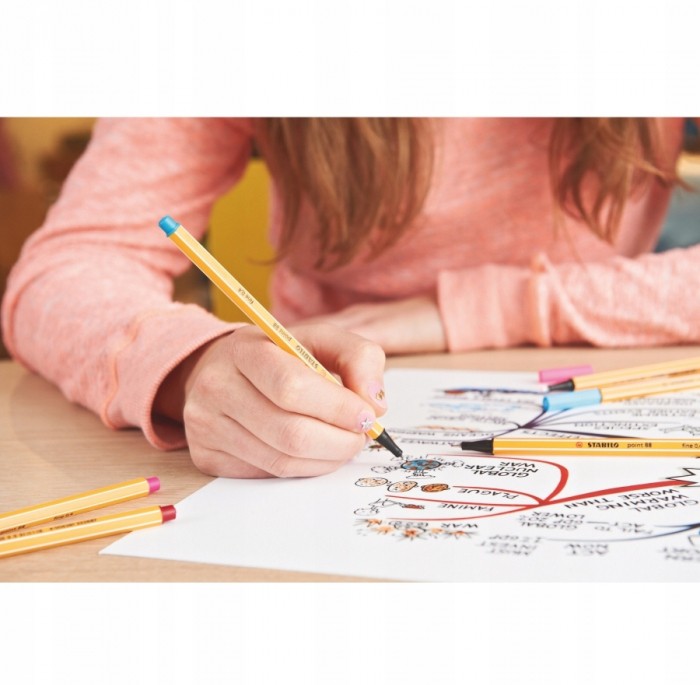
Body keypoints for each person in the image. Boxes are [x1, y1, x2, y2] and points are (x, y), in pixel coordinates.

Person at [3, 118, 698, 479]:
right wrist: (189, 362)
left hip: (598, 365)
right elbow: (69, 266)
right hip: (310, 394)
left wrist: (486, 308)